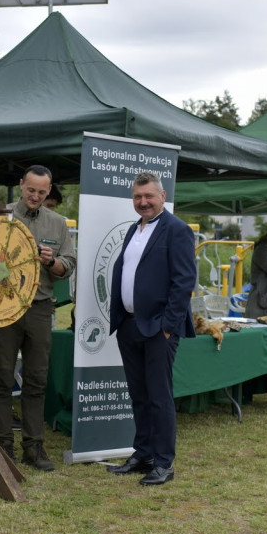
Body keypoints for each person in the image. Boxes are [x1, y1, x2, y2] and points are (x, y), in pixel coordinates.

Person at [107, 172, 196, 486]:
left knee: (159, 397)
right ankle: (142, 453)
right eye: (137, 197)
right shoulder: (135, 229)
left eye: (148, 196)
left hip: (158, 329)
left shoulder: (178, 230)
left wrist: (167, 327)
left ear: (162, 196)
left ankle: (163, 463)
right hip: (129, 326)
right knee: (139, 396)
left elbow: (184, 282)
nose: (142, 202)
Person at [0, 165, 75, 471]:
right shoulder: (0, 216)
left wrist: (51, 261)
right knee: (1, 378)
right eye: (31, 190)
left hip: (40, 308)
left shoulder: (58, 224)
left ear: (48, 191)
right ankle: (2, 446)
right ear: (21, 186)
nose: (36, 196)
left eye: (42, 192)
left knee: (37, 380)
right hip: (6, 307)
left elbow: (68, 265)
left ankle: (33, 447)